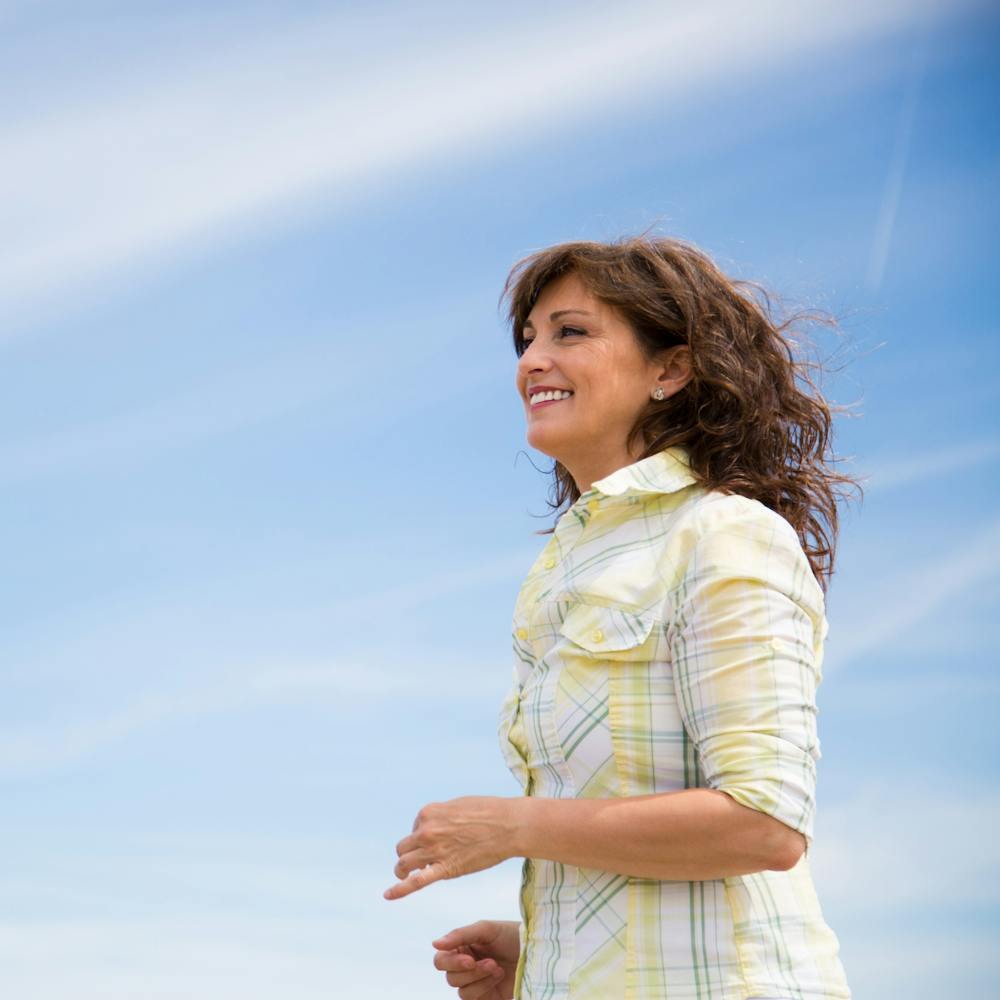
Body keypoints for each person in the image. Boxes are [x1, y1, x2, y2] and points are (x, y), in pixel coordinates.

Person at [383, 234, 859, 1000]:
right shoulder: (565, 569)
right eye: (528, 339)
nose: (533, 360)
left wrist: (513, 827)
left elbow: (763, 824)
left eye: (570, 332)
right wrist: (535, 954)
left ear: (670, 369)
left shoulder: (723, 534)